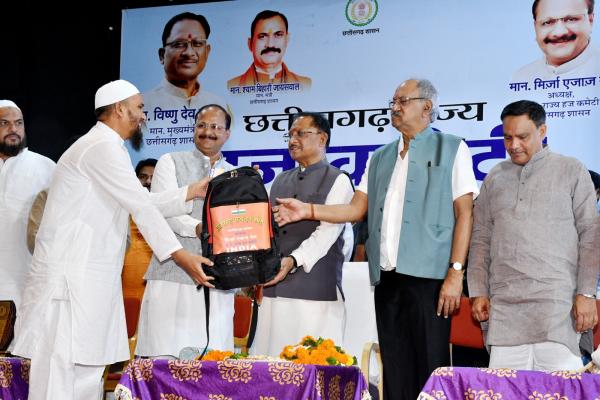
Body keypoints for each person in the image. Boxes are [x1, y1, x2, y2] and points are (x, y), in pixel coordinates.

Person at [10, 80, 215, 400]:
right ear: (120, 108)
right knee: (60, 376)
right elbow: (140, 206)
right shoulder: (99, 147)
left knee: (86, 374)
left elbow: (137, 200)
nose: (143, 115)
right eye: (139, 107)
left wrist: (189, 192)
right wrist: (179, 255)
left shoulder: (107, 148)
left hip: (89, 281)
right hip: (69, 283)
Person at [273, 79, 478, 400]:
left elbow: (465, 213)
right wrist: (308, 210)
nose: (394, 108)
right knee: (394, 368)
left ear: (427, 107)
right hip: (387, 278)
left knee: (430, 369)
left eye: (402, 101)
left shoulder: (452, 148)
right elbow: (356, 209)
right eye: (392, 102)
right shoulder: (380, 156)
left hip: (431, 279)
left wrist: (455, 273)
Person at [468, 100, 599, 371]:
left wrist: (586, 294)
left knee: (559, 389)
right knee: (503, 389)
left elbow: (590, 236)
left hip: (558, 308)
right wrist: (478, 291)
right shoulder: (494, 177)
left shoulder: (571, 170)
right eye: (507, 137)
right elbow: (480, 240)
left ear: (542, 131)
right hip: (504, 311)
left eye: (522, 137)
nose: (514, 145)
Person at [136, 104, 237, 357]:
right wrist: (198, 228)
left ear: (227, 134)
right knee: (164, 357)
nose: (208, 132)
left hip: (217, 279)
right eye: (201, 125)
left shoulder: (235, 175)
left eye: (215, 127)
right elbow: (160, 210)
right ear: (193, 129)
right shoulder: (170, 161)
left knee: (213, 361)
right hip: (172, 273)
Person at [251, 112, 354, 356]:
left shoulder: (338, 180)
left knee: (310, 364)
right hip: (274, 289)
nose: (292, 140)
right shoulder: (279, 180)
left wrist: (293, 260)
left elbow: (327, 234)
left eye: (300, 134)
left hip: (314, 290)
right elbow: (268, 231)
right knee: (271, 364)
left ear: (322, 138)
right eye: (290, 135)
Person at [142, 12, 227, 159]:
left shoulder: (219, 105)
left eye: (197, 44)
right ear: (162, 55)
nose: (189, 52)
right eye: (179, 44)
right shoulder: (142, 105)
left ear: (207, 51)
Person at [0, 100, 55, 310]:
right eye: (4, 123)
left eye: (19, 123)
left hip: (28, 277)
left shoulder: (46, 167)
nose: (13, 129)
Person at [512, 0, 599, 81]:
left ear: (590, 20)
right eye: (547, 22)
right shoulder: (520, 77)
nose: (559, 32)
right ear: (535, 27)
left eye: (571, 19)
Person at [227, 10, 311, 90]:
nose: (270, 44)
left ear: (287, 40)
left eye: (278, 35)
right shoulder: (231, 87)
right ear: (250, 44)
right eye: (262, 36)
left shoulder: (306, 85)